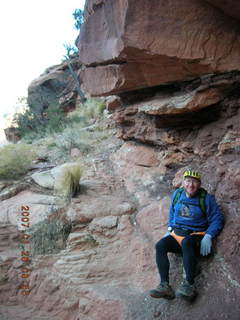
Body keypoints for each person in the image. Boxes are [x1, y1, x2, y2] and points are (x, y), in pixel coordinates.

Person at [149, 170, 224, 301]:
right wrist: (170, 228)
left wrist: (209, 236)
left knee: (187, 242)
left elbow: (217, 218)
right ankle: (165, 286)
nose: (191, 185)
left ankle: (189, 285)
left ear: (199, 184)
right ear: (183, 182)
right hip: (178, 234)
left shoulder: (205, 199)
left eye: (194, 182)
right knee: (160, 245)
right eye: (188, 181)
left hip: (196, 236)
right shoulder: (177, 195)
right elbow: (172, 212)